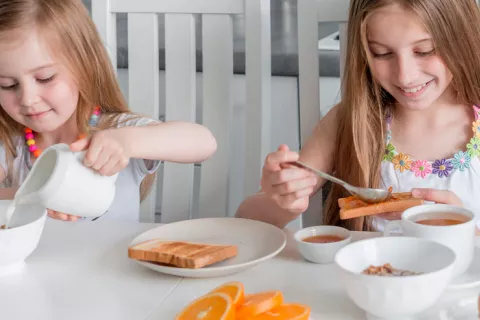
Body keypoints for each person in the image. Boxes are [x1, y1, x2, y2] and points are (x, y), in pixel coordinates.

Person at [236, 0, 480, 231]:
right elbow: (245, 222)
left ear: (461, 36)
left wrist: (468, 232)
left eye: (425, 50)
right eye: (382, 53)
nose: (405, 76)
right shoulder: (350, 121)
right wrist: (279, 199)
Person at [0, 0, 217, 222]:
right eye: (8, 84)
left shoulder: (116, 131)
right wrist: (28, 197)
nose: (27, 99)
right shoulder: (9, 144)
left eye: (45, 78)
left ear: (85, 66)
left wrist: (127, 142)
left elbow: (204, 142)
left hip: (117, 256)